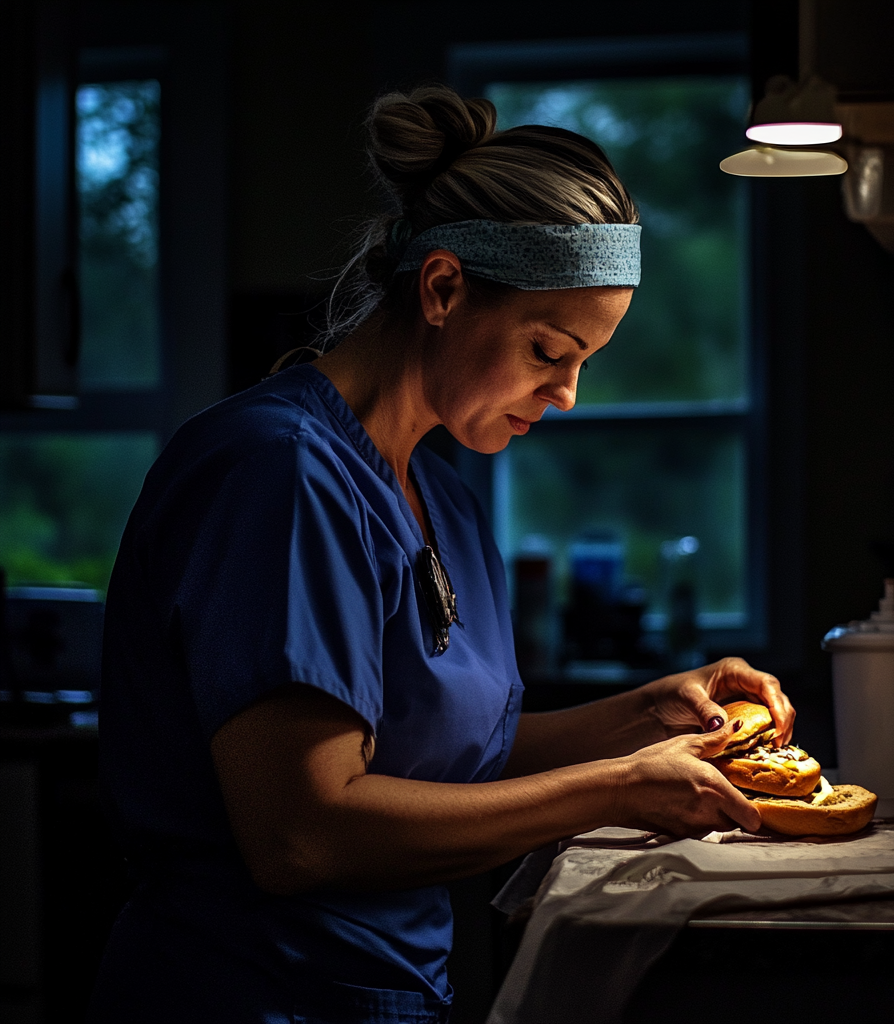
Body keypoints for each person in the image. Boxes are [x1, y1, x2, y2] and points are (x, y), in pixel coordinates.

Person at [88, 86, 795, 1024]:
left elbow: (452, 759)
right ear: (444, 289)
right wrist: (618, 789)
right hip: (253, 997)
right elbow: (303, 833)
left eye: (585, 360)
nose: (568, 394)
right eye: (550, 349)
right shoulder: (280, 475)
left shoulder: (443, 500)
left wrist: (644, 717)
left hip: (391, 993)